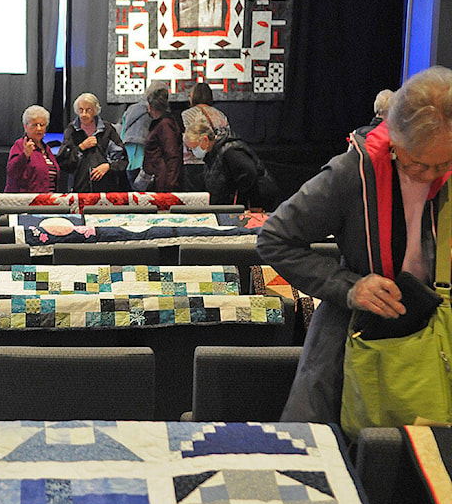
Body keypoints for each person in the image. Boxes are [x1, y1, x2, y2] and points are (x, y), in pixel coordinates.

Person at [257, 65, 452, 425]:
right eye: (418, 165)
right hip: (353, 340)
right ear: (392, 140)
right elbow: (275, 238)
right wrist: (350, 287)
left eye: (444, 164)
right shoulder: (352, 172)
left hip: (440, 339)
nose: (431, 177)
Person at [183, 116, 279, 210]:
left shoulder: (231, 151)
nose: (193, 151)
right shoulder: (212, 154)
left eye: (194, 147)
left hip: (255, 204)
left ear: (205, 140)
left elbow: (249, 175)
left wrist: (252, 206)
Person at [56, 92, 128, 192]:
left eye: (88, 110)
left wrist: (108, 166)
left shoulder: (107, 129)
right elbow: (63, 161)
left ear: (95, 111)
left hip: (106, 189)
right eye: (81, 110)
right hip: (79, 189)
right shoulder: (71, 130)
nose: (84, 114)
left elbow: (122, 158)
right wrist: (81, 147)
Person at [120, 81, 168, 189]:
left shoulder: (131, 108)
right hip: (143, 150)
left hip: (128, 150)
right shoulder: (153, 110)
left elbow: (123, 127)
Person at [5, 105, 59, 193]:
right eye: (34, 125)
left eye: (42, 125)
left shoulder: (46, 149)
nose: (39, 128)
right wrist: (24, 155)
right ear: (25, 126)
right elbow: (12, 172)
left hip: (48, 202)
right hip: (26, 203)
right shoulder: (20, 145)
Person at [140, 84, 184, 191]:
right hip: (160, 179)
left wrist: (170, 184)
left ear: (150, 106)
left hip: (163, 182)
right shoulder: (165, 124)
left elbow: (172, 155)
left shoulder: (165, 125)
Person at [181, 82, 232, 167]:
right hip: (216, 162)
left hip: (194, 162)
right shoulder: (220, 114)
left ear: (194, 96)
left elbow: (189, 138)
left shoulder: (187, 114)